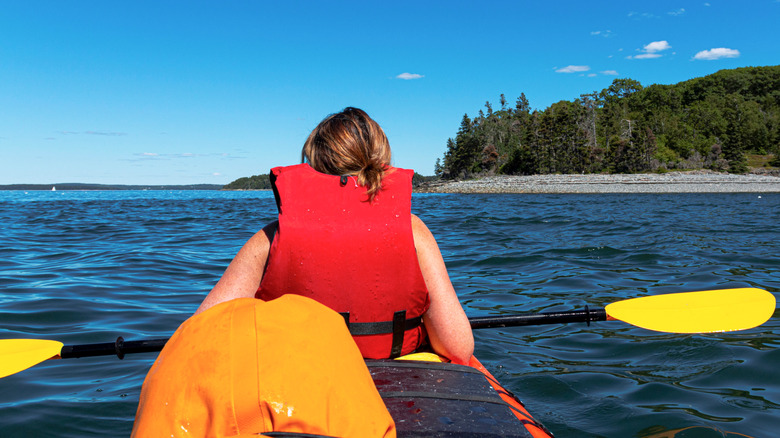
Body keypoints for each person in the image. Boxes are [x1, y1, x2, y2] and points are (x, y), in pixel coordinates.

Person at [196, 107, 473, 364]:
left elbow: (201, 336)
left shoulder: (271, 238)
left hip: (301, 386)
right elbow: (458, 347)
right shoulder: (413, 231)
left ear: (313, 163)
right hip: (396, 384)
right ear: (381, 160)